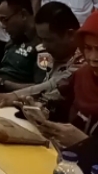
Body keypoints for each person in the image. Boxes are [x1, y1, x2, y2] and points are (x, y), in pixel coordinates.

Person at [0, 1, 82, 109]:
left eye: (48, 40)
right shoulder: (58, 53)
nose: (44, 46)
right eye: (41, 39)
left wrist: (12, 96)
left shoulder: (85, 59)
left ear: (70, 35)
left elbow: (53, 84)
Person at [34, 11, 98, 148]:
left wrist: (85, 143)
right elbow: (60, 107)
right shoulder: (81, 77)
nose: (93, 58)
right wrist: (42, 112)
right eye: (87, 48)